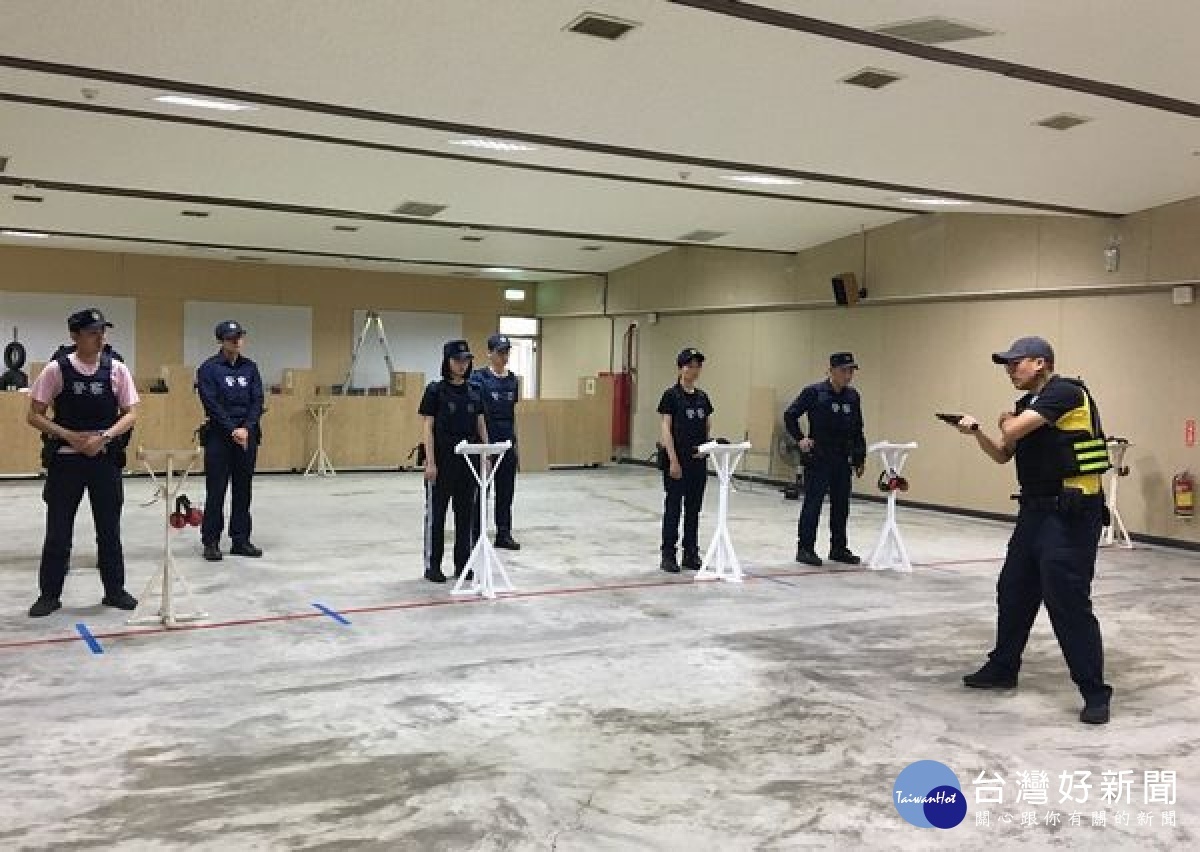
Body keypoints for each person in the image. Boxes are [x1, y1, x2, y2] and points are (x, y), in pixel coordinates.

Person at [952, 336, 1113, 725]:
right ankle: (1003, 667)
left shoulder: (1065, 391)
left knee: (1068, 601)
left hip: (1071, 515)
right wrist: (976, 432)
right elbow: (1002, 452)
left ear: (1040, 363)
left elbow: (1012, 430)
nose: (1010, 370)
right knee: (1013, 589)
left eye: (1015, 363)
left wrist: (1004, 421)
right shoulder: (1029, 406)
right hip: (1035, 513)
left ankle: (1094, 691)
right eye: (1007, 365)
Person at [25, 308, 140, 617]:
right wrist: (70, 436)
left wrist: (103, 437)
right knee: (59, 531)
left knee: (109, 530)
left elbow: (131, 413)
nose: (100, 337)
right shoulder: (56, 370)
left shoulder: (117, 370)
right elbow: (34, 414)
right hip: (66, 462)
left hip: (104, 460)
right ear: (74, 336)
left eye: (103, 331)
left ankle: (114, 590)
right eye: (92, 332)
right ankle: (49, 595)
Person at [784, 352, 867, 566]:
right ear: (831, 371)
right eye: (843, 371)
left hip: (842, 459)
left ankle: (838, 548)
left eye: (851, 371)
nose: (848, 375)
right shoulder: (814, 393)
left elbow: (858, 428)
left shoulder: (853, 397)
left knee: (841, 505)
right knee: (813, 504)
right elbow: (790, 415)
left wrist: (860, 457)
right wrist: (801, 439)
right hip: (819, 458)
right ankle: (805, 548)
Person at [420, 339, 488, 583]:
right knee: (437, 516)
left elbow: (481, 425)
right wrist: (430, 462)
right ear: (447, 362)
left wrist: (486, 454)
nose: (462, 364)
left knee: (465, 516)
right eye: (457, 360)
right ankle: (432, 566)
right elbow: (427, 427)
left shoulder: (475, 391)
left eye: (466, 360)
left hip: (468, 464)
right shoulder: (435, 391)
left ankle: (463, 564)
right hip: (442, 462)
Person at [197, 320, 265, 561]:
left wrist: (246, 428)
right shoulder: (209, 368)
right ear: (221, 340)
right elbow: (211, 403)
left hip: (247, 435)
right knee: (216, 489)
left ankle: (240, 539)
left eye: (239, 337)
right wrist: (232, 429)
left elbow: (257, 401)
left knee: (243, 489)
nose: (236, 341)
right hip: (220, 435)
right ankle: (211, 541)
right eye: (231, 337)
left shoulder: (251, 368)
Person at [657, 347, 713, 573]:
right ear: (681, 368)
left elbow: (707, 426)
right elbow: (666, 429)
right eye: (690, 365)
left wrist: (706, 448)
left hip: (697, 462)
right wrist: (673, 460)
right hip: (677, 461)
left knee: (693, 509)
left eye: (698, 365)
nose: (694, 370)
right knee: (673, 508)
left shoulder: (702, 398)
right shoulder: (671, 396)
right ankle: (668, 554)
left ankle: (690, 552)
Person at [471, 333, 521, 550]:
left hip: (507, 442)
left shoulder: (512, 380)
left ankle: (504, 533)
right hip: (486, 443)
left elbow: (512, 414)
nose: (504, 356)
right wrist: (485, 446)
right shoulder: (479, 379)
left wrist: (515, 445)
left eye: (507, 352)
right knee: (482, 490)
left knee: (506, 490)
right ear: (489, 353)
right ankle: (478, 533)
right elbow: (477, 415)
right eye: (500, 352)